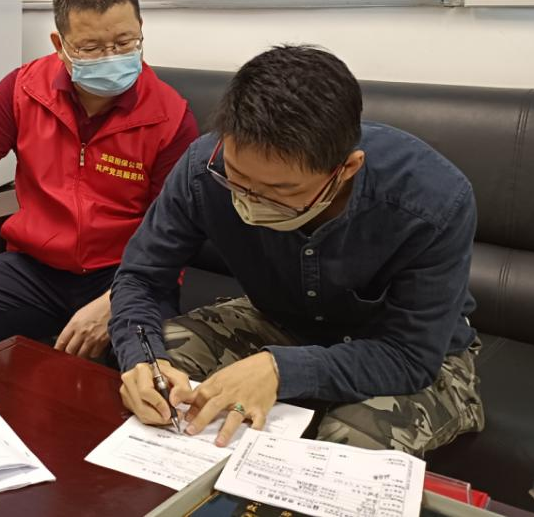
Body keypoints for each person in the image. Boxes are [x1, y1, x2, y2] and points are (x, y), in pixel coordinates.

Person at [112, 45, 484, 455]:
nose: (251, 200)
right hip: (278, 321)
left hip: (400, 350)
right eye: (237, 178)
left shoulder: (432, 200)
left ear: (347, 168)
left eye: (281, 191)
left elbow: (410, 355)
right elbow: (142, 278)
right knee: (163, 372)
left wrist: (280, 369)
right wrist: (143, 360)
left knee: (350, 442)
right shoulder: (204, 167)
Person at [0, 0, 199, 369]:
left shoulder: (170, 117)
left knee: (143, 359)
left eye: (124, 42)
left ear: (140, 29)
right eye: (91, 48)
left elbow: (171, 234)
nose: (111, 56)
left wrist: (116, 300)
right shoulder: (24, 89)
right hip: (36, 268)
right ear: (59, 44)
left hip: (127, 273)